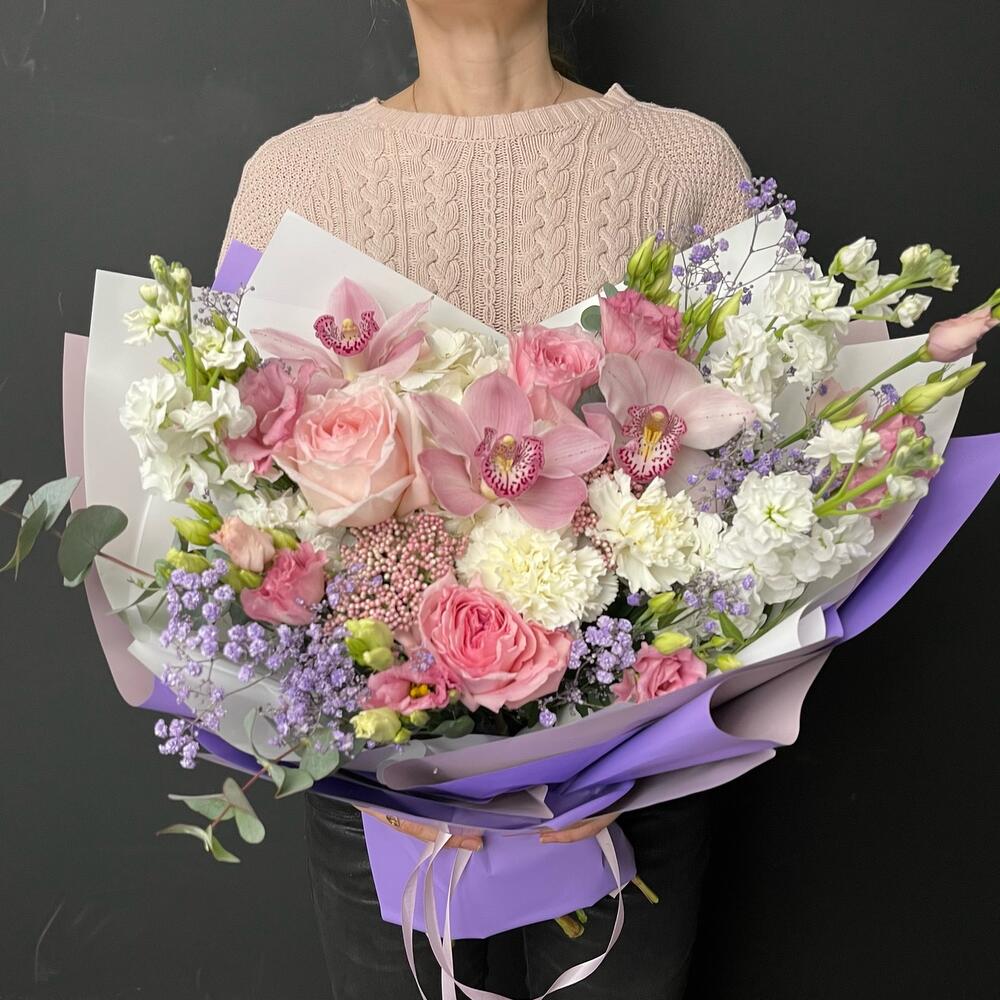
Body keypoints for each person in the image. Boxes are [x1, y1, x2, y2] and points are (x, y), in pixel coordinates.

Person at [219, 3, 750, 996]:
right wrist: (370, 751)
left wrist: (637, 739)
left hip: (631, 769)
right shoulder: (291, 181)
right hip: (380, 775)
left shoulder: (687, 164)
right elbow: (233, 478)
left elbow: (761, 454)